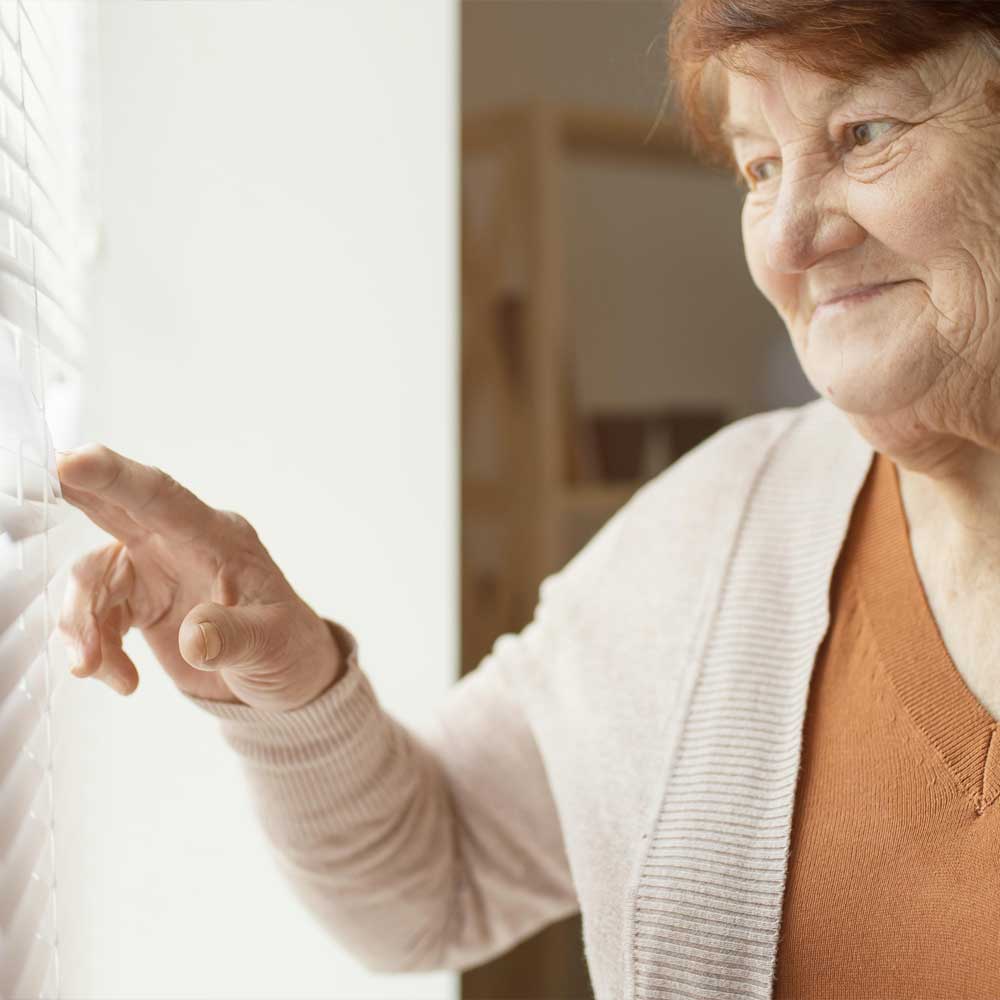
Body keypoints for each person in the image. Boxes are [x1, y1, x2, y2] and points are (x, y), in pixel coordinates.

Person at [56, 2, 1000, 997]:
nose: (789, 239)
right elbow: (431, 877)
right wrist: (293, 693)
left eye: (863, 133)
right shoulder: (726, 524)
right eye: (758, 167)